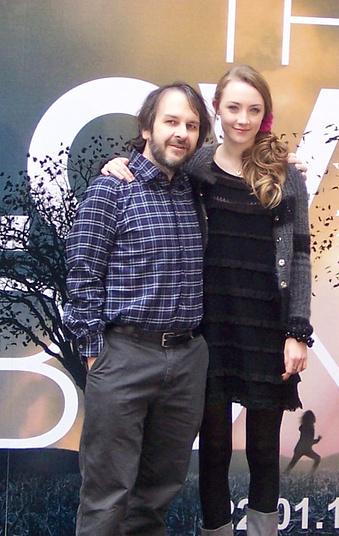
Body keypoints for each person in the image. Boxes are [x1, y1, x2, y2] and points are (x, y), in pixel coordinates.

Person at [102, 65, 313, 536]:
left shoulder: (285, 174)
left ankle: (263, 531)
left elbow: (300, 257)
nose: (242, 118)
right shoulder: (196, 167)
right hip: (209, 329)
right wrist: (119, 159)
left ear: (265, 116)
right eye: (233, 107)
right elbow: (154, 163)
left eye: (253, 110)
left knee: (263, 447)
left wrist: (298, 332)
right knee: (213, 448)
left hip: (266, 329)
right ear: (215, 110)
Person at [63, 82, 212, 536]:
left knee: (157, 498)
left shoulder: (195, 189)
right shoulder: (113, 187)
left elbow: (243, 159)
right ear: (147, 127)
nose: (181, 133)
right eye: (171, 122)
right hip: (124, 355)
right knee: (107, 497)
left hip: (186, 361)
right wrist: (95, 353)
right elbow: (82, 270)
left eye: (191, 125)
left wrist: (284, 161)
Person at [285, 410, 322, 474]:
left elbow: (306, 439)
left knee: (291, 465)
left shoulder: (304, 426)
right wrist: (317, 440)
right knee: (317, 459)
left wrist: (316, 440)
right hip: (306, 449)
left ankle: (284, 474)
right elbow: (309, 441)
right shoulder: (309, 428)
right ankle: (311, 474)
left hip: (300, 448)